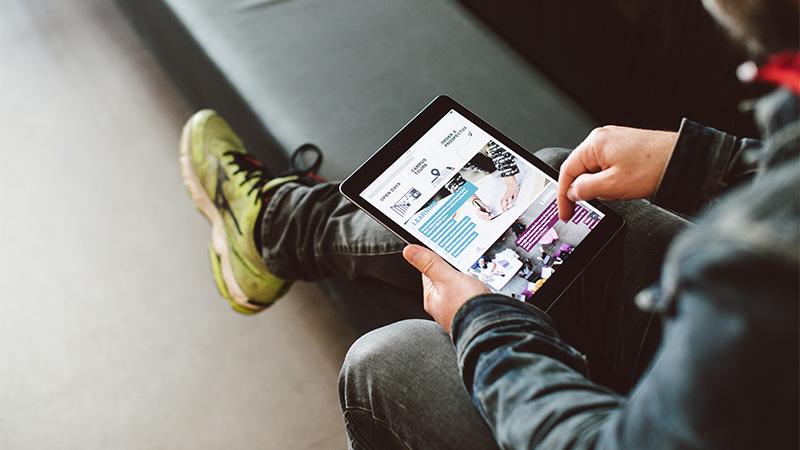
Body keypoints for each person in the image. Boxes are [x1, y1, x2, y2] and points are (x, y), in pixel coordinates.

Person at [179, 0, 798, 448]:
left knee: (386, 363)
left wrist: (486, 325)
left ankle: (275, 229)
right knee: (558, 183)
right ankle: (282, 230)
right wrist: (703, 162)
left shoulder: (752, 269)